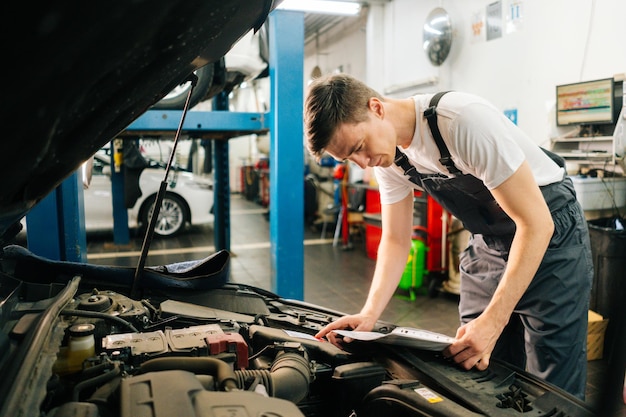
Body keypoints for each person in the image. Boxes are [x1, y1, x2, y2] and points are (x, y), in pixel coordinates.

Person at [305, 73, 593, 400]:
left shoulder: (460, 122)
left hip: (550, 231)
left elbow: (537, 224)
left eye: (359, 148)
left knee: (553, 380)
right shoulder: (390, 160)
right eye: (350, 159)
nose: (363, 163)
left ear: (376, 108)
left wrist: (494, 321)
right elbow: (397, 240)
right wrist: (369, 314)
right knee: (478, 367)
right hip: (490, 240)